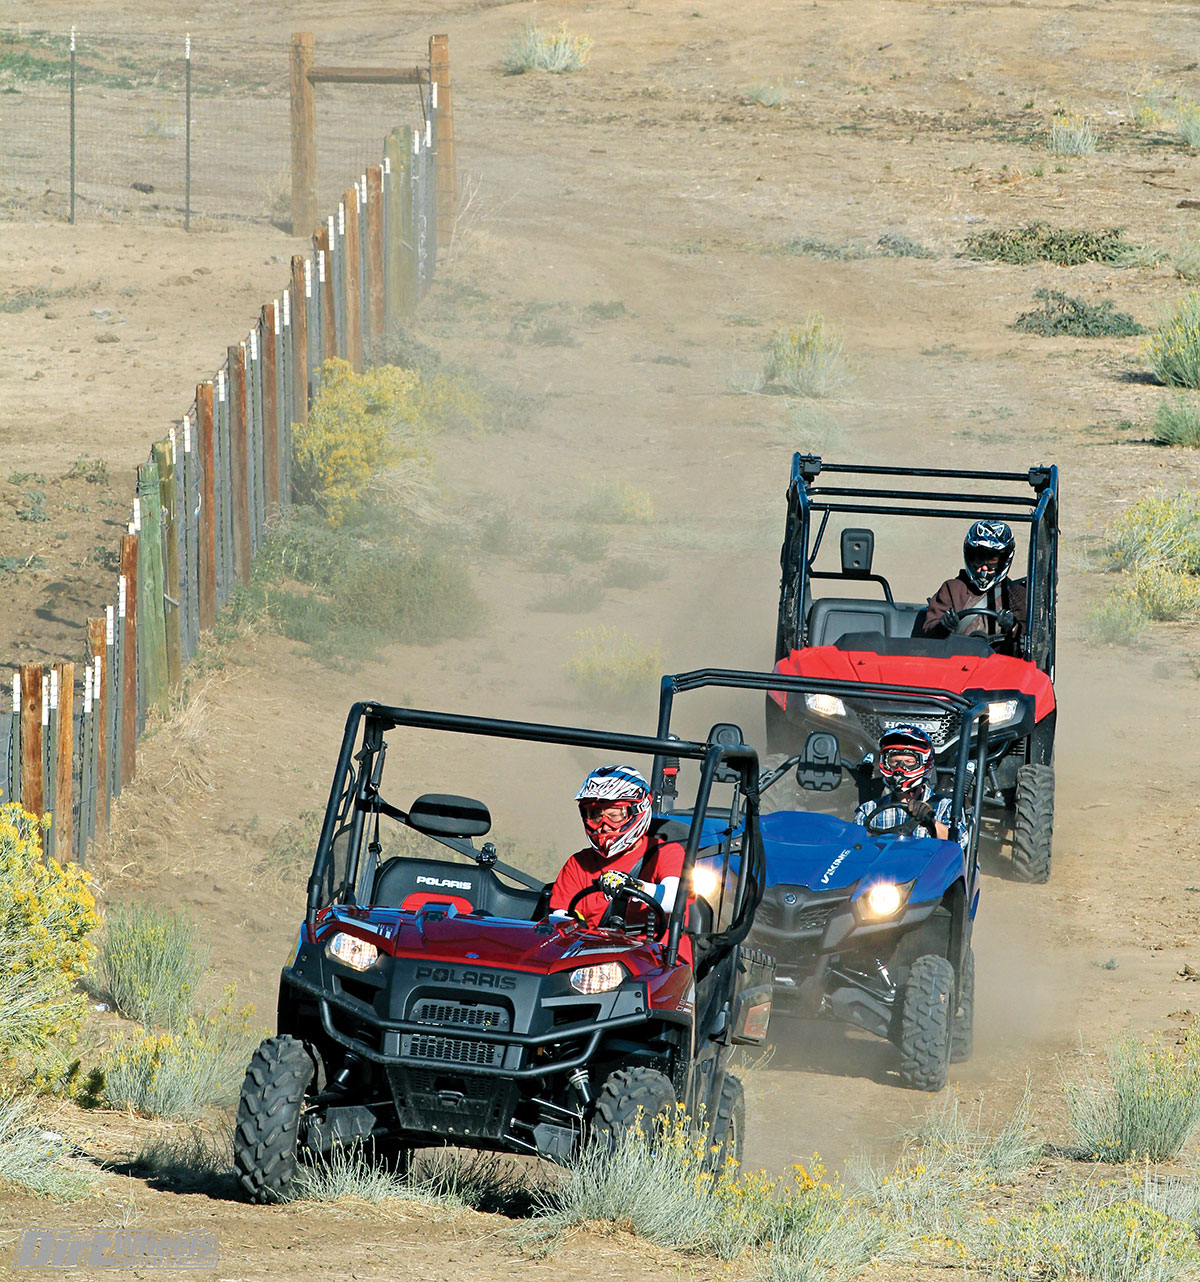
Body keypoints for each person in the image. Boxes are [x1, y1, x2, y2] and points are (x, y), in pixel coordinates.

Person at [549, 764, 685, 935]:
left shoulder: (666, 853)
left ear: (638, 810)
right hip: (594, 949)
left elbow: (675, 900)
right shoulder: (578, 864)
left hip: (653, 949)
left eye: (614, 815)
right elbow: (560, 925)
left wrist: (635, 886)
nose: (604, 826)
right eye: (595, 816)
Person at [923, 520, 1027, 653]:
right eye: (979, 559)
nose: (984, 568)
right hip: (956, 660)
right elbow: (928, 633)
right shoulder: (952, 588)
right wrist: (943, 626)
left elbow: (1032, 643)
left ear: (1004, 560)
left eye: (992, 560)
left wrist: (1013, 627)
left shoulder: (1016, 593)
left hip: (1000, 663)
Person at [854, 724, 956, 841]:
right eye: (894, 762)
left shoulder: (944, 806)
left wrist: (930, 821)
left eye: (909, 761)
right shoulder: (869, 810)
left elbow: (958, 843)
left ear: (924, 762)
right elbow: (854, 846)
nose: (900, 769)